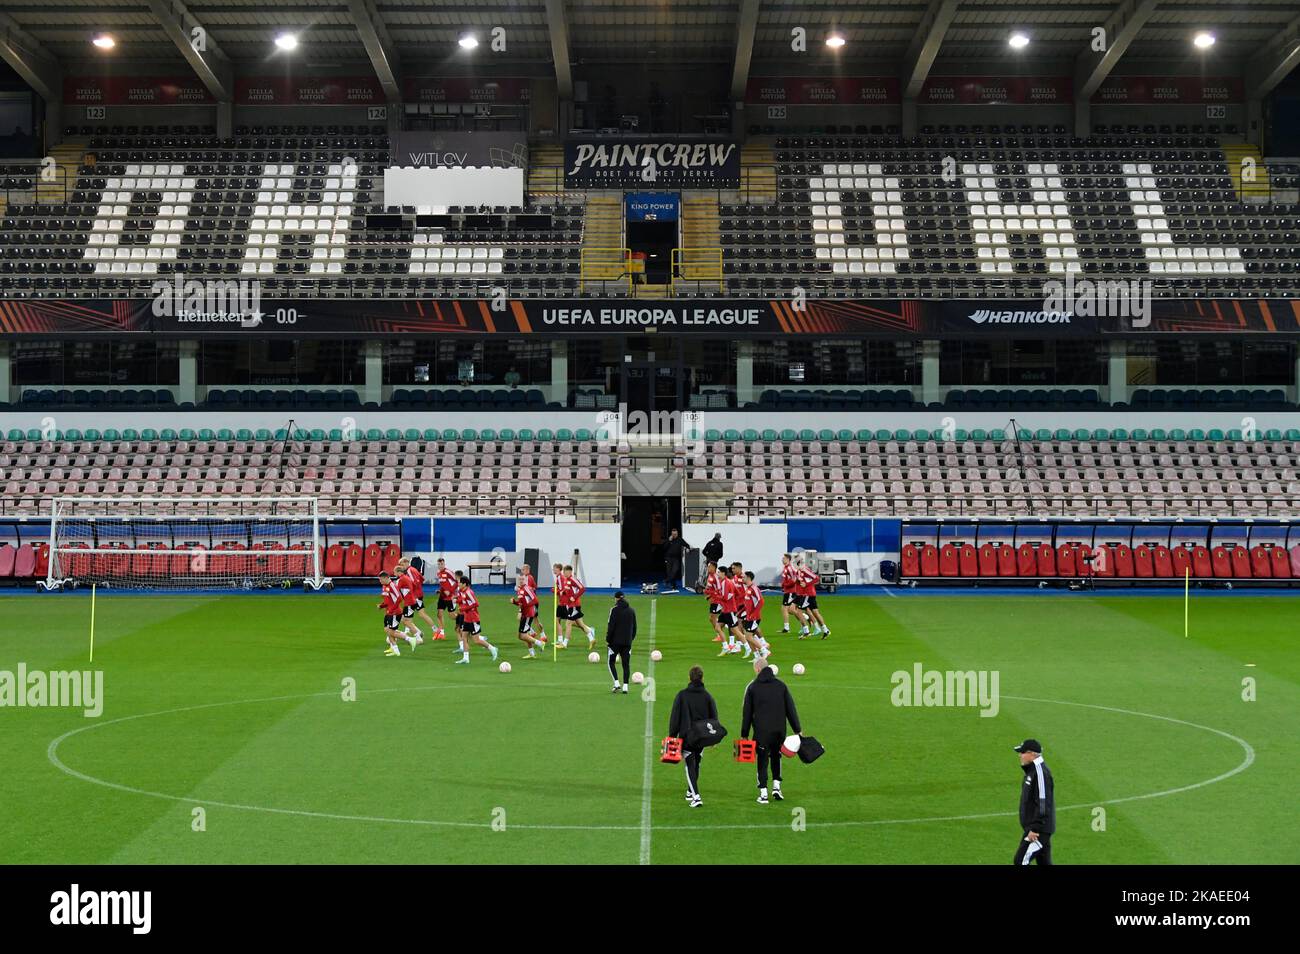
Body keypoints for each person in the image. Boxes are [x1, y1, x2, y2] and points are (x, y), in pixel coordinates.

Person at [741, 657, 802, 804]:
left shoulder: (753, 687)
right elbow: (790, 709)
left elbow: (747, 713)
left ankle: (763, 793)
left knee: (762, 759)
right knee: (776, 756)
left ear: (757, 669)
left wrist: (744, 734)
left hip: (761, 732)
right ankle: (777, 787)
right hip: (779, 730)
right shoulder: (781, 686)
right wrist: (797, 730)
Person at [667, 666, 719, 808]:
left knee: (690, 764)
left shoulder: (682, 695)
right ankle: (690, 791)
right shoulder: (708, 696)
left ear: (690, 678)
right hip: (702, 737)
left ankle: (696, 796)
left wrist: (672, 736)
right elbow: (714, 718)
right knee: (697, 763)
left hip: (687, 736)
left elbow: (675, 718)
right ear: (702, 678)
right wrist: (714, 738)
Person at [1012, 739, 1055, 865]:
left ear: (1032, 754)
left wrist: (1035, 828)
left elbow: (1043, 802)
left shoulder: (1040, 772)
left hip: (1038, 829)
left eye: (1022, 752)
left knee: (1020, 861)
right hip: (1037, 827)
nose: (1020, 755)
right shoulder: (1032, 770)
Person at [453, 575, 498, 665]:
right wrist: (457, 601)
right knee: (464, 636)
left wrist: (464, 609)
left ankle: (492, 648)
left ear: (464, 584)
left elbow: (476, 603)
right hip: (467, 619)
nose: (458, 584)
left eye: (460, 583)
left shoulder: (469, 592)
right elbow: (463, 600)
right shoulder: (462, 591)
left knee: (476, 640)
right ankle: (466, 658)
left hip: (473, 619)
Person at [378, 572, 422, 657]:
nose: (380, 581)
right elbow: (388, 599)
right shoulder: (384, 586)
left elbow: (399, 598)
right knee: (387, 630)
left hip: (395, 612)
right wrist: (382, 605)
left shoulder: (392, 586)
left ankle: (409, 640)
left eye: (381, 579)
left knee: (391, 632)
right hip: (388, 612)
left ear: (386, 578)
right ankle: (393, 649)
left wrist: (392, 608)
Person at [605, 590, 637, 693]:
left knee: (611, 662)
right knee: (626, 664)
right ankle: (625, 687)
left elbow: (611, 626)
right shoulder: (631, 611)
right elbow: (635, 628)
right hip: (627, 642)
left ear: (616, 598)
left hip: (614, 642)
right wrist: (630, 640)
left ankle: (616, 683)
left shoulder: (614, 610)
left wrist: (608, 640)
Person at [661, 528, 689, 593]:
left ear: (677, 534)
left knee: (675, 570)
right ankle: (673, 585)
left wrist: (688, 548)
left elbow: (686, 544)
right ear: (671, 534)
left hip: (676, 558)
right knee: (669, 572)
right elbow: (664, 548)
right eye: (673, 534)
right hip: (668, 558)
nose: (674, 535)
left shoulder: (680, 540)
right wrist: (669, 541)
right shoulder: (669, 540)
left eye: (675, 534)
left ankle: (667, 580)